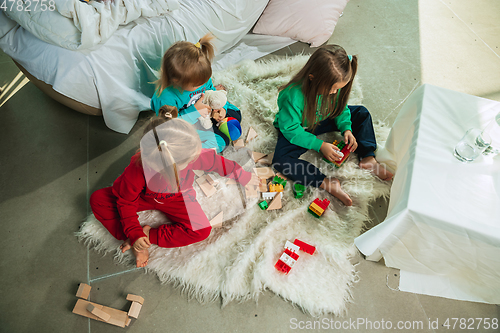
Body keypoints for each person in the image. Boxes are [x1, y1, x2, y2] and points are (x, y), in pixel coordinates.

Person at [90, 106, 258, 267]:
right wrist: (134, 233)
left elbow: (217, 162)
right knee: (98, 200)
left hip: (178, 197)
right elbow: (125, 202)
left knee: (202, 230)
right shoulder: (136, 170)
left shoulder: (191, 153)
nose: (194, 159)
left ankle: (146, 237)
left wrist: (243, 176)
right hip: (142, 198)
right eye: (188, 162)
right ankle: (135, 240)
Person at [272, 45, 393, 206]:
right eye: (333, 89)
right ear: (313, 77)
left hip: (323, 119)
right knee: (281, 161)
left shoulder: (333, 89)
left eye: (339, 89)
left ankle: (368, 158)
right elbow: (291, 130)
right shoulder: (291, 96)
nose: (335, 93)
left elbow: (340, 109)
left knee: (361, 113)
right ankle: (326, 183)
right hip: (299, 128)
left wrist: (347, 128)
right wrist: (320, 145)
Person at [150, 33, 241, 153]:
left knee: (235, 114)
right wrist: (195, 111)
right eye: (197, 85)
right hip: (187, 123)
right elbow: (171, 126)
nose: (203, 85)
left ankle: (218, 125)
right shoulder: (165, 97)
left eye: (205, 81)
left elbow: (211, 92)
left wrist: (219, 108)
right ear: (176, 80)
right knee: (222, 141)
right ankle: (191, 151)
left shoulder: (201, 79)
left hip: (206, 113)